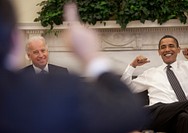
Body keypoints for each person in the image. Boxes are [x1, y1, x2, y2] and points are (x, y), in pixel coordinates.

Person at [0, 0, 148, 133]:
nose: (41, 55)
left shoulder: (61, 73)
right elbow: (129, 113)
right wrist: (91, 57)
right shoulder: (64, 84)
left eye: (43, 50)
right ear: (16, 41)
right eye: (36, 52)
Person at [121, 34, 188, 133]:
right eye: (163, 47)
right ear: (159, 52)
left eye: (171, 46)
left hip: (179, 116)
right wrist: (132, 66)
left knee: (185, 117)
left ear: (178, 50)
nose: (167, 49)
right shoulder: (150, 73)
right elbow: (123, 89)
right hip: (156, 114)